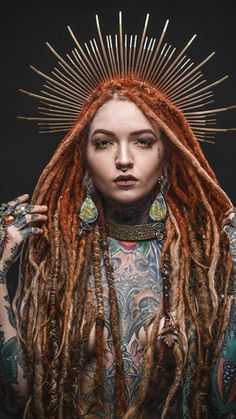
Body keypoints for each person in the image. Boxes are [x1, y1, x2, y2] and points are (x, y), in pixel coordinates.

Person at [0, 12, 236, 419]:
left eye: (143, 142)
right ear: (83, 159)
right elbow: (20, 398)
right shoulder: (57, 258)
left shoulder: (201, 260)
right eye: (104, 143)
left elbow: (222, 402)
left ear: (168, 158)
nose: (124, 160)